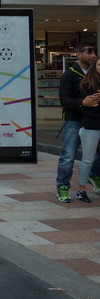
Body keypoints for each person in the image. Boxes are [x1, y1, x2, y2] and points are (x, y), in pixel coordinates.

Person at [57, 43, 100, 203]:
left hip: (94, 120)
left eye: (94, 51)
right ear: (78, 54)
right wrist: (83, 103)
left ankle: (94, 175)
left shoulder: (95, 73)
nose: (93, 55)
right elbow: (64, 100)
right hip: (74, 120)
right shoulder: (69, 75)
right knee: (68, 155)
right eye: (89, 51)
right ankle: (62, 186)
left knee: (97, 155)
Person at [77, 55, 100, 203]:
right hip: (91, 125)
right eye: (99, 65)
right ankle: (81, 189)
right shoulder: (87, 83)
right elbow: (92, 103)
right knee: (88, 159)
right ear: (95, 66)